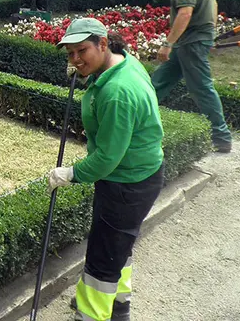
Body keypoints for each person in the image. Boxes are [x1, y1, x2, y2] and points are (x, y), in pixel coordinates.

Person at [47, 18, 165, 321]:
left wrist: (71, 174)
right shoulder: (122, 63)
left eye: (81, 51)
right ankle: (117, 306)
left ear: (102, 43)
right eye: (70, 54)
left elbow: (108, 158)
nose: (75, 60)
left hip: (126, 183)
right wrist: (87, 73)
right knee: (117, 248)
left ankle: (92, 314)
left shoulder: (117, 93)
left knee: (102, 259)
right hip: (139, 177)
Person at [151, 0, 233, 153]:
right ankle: (135, 119)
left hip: (191, 41)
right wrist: (210, 33)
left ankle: (221, 136)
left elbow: (185, 13)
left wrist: (168, 43)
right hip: (193, 40)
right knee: (158, 82)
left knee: (201, 88)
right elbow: (213, 4)